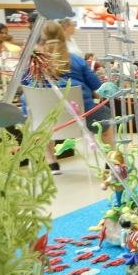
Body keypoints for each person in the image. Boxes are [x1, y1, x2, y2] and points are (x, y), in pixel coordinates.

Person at [39, 20, 114, 169]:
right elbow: (98, 87)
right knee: (106, 121)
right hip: (83, 117)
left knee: (42, 117)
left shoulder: (34, 64)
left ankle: (52, 163)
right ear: (62, 36)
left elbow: (26, 88)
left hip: (47, 120)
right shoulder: (77, 60)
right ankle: (110, 161)